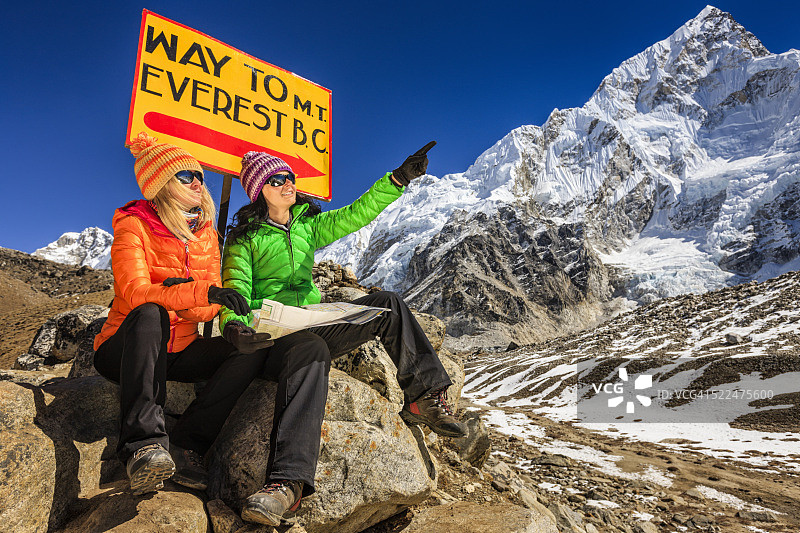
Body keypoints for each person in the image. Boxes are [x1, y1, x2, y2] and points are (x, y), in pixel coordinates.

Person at [220, 142, 467, 526]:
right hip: (272, 338)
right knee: (310, 347)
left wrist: (397, 179)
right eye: (277, 180)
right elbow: (234, 289)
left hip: (311, 322)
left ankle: (424, 398)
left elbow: (355, 215)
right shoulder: (244, 238)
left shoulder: (307, 225)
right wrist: (233, 325)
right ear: (259, 190)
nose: (288, 184)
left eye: (289, 177)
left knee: (387, 304)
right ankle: (286, 483)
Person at [93, 132, 273, 496]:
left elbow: (207, 308)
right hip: (126, 349)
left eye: (200, 176)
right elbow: (134, 293)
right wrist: (189, 291)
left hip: (180, 350)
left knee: (248, 350)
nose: (198, 182)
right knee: (151, 313)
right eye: (186, 175)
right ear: (161, 182)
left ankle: (187, 442)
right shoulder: (133, 223)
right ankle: (143, 447)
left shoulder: (206, 234)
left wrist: (198, 295)